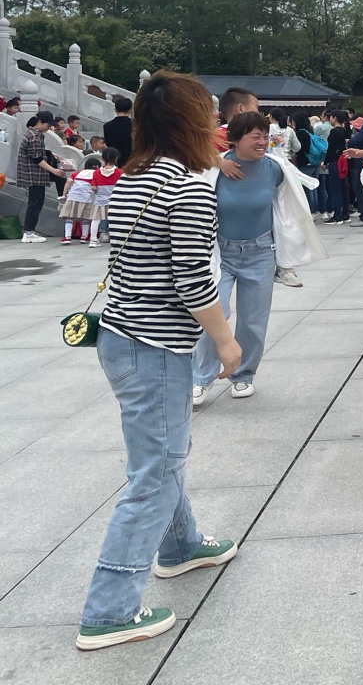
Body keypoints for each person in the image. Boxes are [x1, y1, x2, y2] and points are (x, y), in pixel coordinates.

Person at [76, 71, 242, 652]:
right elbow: (193, 281)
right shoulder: (187, 188)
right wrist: (226, 342)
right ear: (192, 122)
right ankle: (108, 610)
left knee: (161, 454)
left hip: (121, 334)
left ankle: (179, 546)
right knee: (154, 471)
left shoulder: (132, 177)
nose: (216, 124)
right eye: (210, 115)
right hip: (157, 346)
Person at [191, 111, 291, 404]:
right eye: (255, 136)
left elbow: (291, 200)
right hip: (221, 252)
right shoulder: (214, 167)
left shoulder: (274, 168)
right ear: (235, 139)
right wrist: (217, 160)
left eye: (266, 136)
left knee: (253, 320)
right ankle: (200, 377)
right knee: (213, 313)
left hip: (260, 253)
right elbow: (186, 159)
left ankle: (244, 375)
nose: (262, 142)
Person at [18, 109, 65, 243]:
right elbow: (37, 159)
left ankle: (62, 199)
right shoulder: (34, 136)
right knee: (35, 203)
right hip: (34, 174)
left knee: (37, 201)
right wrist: (53, 170)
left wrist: (52, 155)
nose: (49, 128)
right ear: (40, 122)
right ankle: (29, 233)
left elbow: (37, 152)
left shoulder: (34, 133)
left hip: (36, 173)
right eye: (48, 125)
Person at [321, 110, 353, 224]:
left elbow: (331, 149)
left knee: (336, 189)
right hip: (343, 161)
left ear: (334, 118)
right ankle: (345, 214)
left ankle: (337, 215)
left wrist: (325, 162)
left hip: (335, 161)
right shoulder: (345, 131)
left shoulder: (334, 132)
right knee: (343, 188)